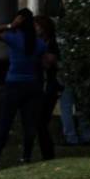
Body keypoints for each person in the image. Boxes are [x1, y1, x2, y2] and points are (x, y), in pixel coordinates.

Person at [0, 8, 54, 169]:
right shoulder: (39, 44)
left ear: (20, 22)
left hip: (14, 84)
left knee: (5, 123)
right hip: (32, 85)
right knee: (29, 124)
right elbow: (45, 62)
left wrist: (11, 25)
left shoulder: (14, 38)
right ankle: (26, 157)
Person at [32, 15, 59, 161]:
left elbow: (49, 62)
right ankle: (46, 153)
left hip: (50, 85)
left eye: (36, 26)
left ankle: (48, 154)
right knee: (40, 121)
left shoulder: (52, 44)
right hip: (41, 85)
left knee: (41, 120)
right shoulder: (40, 43)